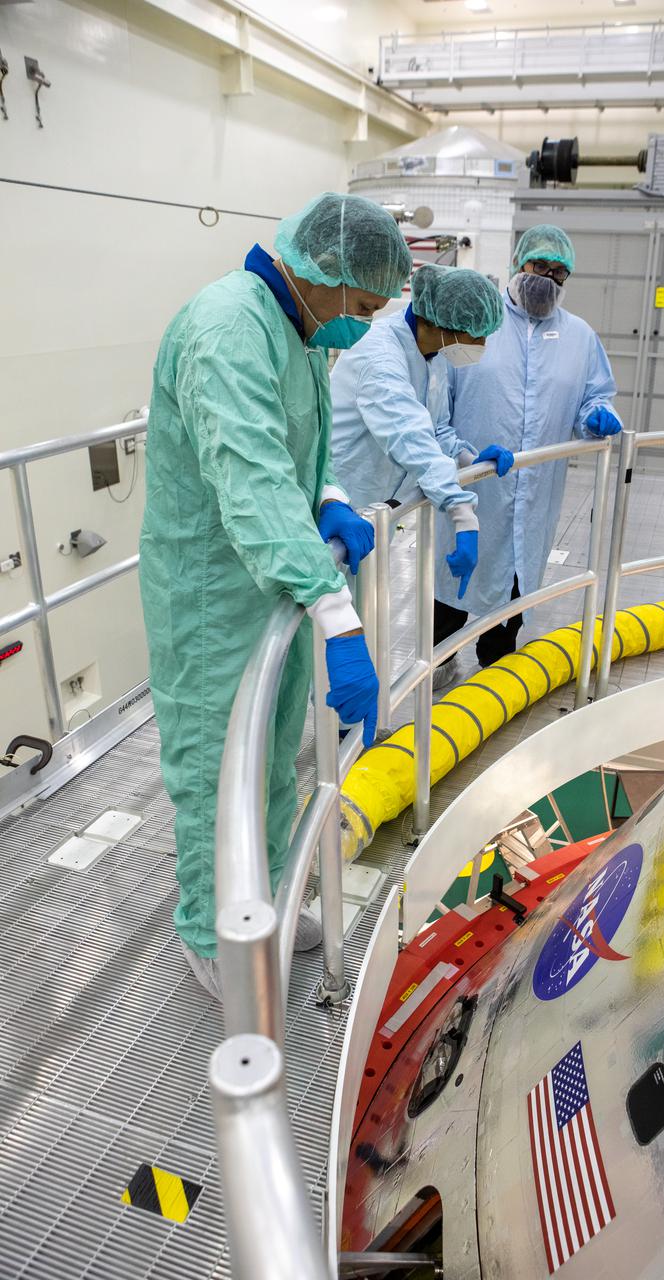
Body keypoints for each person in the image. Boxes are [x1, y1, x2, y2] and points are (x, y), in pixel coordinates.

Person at [139, 192, 411, 999]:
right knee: (214, 769)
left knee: (268, 764)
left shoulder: (293, 328)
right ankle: (208, 929)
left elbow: (295, 445)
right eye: (361, 306)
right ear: (324, 271)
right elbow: (251, 478)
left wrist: (326, 493)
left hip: (267, 583)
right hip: (211, 593)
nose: (360, 324)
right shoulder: (229, 329)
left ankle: (260, 902)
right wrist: (336, 613)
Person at [432, 224, 622, 688]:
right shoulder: (477, 322)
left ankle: (494, 680)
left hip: (535, 497)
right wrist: (455, 454)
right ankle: (435, 672)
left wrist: (597, 413)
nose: (549, 279)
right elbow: (439, 400)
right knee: (450, 597)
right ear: (519, 264)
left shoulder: (579, 337)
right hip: (471, 487)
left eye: (560, 273)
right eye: (541, 266)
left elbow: (595, 394)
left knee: (513, 599)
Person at [330, 263, 509, 604]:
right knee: (326, 624)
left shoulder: (432, 355)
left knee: (362, 611)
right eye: (476, 333)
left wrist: (467, 456)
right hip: (339, 510)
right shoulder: (380, 357)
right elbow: (411, 438)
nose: (482, 343)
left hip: (374, 511)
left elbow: (436, 426)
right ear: (442, 323)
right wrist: (462, 512)